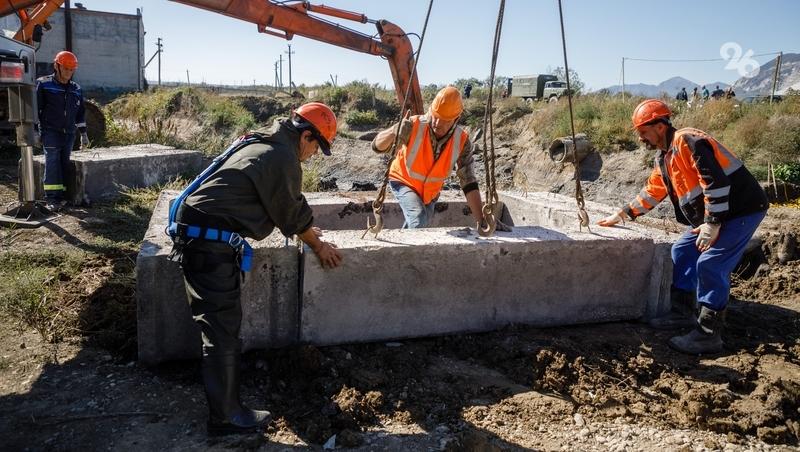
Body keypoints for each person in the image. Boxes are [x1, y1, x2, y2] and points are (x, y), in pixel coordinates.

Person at [167, 102, 343, 435]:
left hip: (201, 232)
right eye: (316, 147)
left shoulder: (265, 141)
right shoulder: (282, 157)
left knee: (220, 324)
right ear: (306, 135)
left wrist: (306, 230)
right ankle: (225, 417)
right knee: (221, 328)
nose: (313, 154)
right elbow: (290, 210)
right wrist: (318, 246)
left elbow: (276, 204)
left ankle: (226, 408)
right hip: (208, 240)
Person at [597, 99, 768, 355]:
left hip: (741, 210)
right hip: (718, 215)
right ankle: (682, 313)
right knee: (682, 251)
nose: (641, 138)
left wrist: (712, 224)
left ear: (659, 126)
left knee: (711, 263)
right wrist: (622, 214)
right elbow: (653, 191)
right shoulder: (665, 157)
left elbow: (715, 184)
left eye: (644, 132)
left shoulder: (688, 140)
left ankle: (709, 335)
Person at [371, 86, 506, 231]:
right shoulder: (413, 125)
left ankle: (399, 252)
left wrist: (482, 219)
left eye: (443, 120)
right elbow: (376, 147)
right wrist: (393, 131)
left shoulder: (462, 142)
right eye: (434, 116)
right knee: (418, 218)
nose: (436, 123)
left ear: (456, 119)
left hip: (430, 193)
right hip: (404, 181)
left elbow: (469, 182)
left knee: (418, 225)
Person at [36, 51, 88, 211]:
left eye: (72, 69)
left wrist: (84, 134)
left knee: (63, 163)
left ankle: (62, 196)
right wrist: (35, 131)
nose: (68, 72)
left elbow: (80, 113)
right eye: (65, 68)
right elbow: (36, 110)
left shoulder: (76, 89)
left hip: (69, 133)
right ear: (56, 66)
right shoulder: (44, 84)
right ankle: (52, 199)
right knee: (52, 161)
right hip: (50, 131)